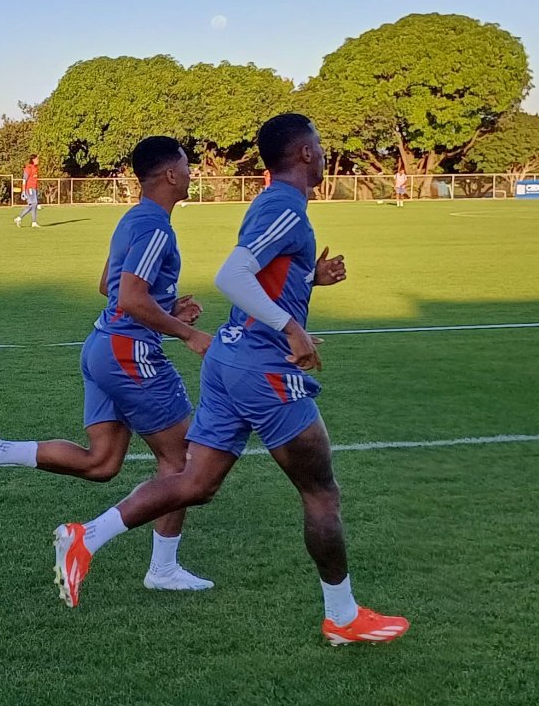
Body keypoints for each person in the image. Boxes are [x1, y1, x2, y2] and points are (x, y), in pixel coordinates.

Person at [50, 114, 409, 647]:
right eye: (320, 144)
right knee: (322, 493)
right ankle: (342, 616)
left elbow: (261, 275)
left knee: (196, 483)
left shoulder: (271, 206)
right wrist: (292, 328)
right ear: (305, 153)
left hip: (230, 362)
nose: (325, 152)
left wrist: (312, 279)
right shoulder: (285, 207)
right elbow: (232, 276)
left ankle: (87, 537)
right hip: (263, 372)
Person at [0, 136, 215, 592]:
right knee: (183, 462)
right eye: (188, 166)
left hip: (100, 346)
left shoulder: (132, 219)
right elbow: (129, 298)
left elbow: (106, 288)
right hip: (130, 354)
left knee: (103, 462)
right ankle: (154, 566)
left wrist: (169, 307)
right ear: (171, 174)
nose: (192, 173)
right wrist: (187, 331)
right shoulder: (156, 227)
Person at [14, 155, 39, 228]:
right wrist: (23, 190)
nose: (38, 160)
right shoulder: (28, 168)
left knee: (33, 205)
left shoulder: (35, 168)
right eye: (37, 159)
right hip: (29, 188)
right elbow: (24, 179)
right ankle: (19, 218)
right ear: (33, 159)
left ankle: (33, 222)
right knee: (34, 204)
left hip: (34, 188)